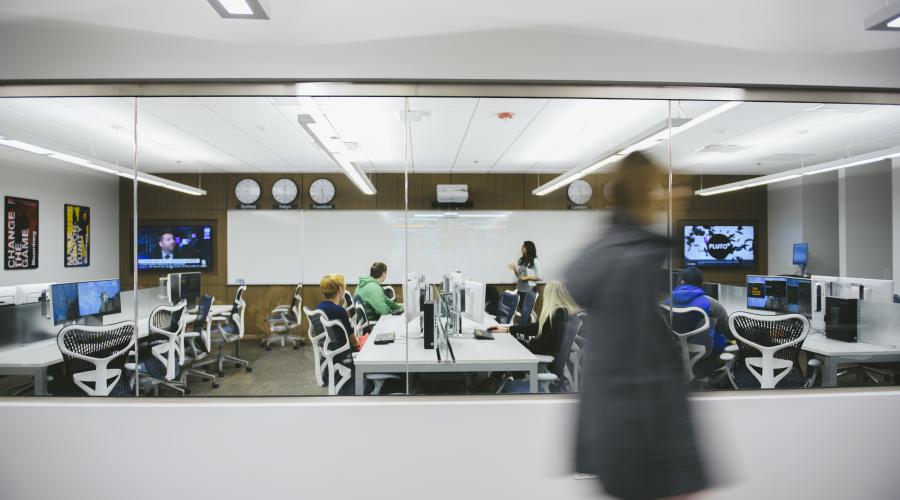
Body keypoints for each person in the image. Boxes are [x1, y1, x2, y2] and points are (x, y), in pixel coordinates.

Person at [566, 151, 708, 500]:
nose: (674, 196)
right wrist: (676, 460)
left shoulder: (613, 253)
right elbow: (644, 367)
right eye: (662, 187)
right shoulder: (632, 260)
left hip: (616, 435)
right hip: (642, 443)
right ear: (647, 194)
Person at [489, 280, 580, 380]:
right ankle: (497, 380)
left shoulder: (557, 315)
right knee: (513, 344)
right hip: (543, 353)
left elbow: (545, 345)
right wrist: (508, 330)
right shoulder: (565, 312)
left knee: (509, 347)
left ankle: (494, 380)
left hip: (542, 357)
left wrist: (528, 344)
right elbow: (537, 328)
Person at [667, 266, 730, 358]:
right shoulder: (711, 304)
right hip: (705, 351)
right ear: (701, 284)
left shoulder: (666, 302)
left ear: (682, 282)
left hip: (675, 349)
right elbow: (726, 329)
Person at [316, 273, 365, 354]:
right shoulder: (340, 311)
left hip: (328, 350)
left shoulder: (318, 308)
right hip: (343, 352)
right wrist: (359, 343)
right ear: (340, 289)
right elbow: (353, 341)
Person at [508, 240, 541, 310]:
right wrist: (515, 270)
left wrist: (527, 277)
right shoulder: (521, 260)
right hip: (520, 288)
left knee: (526, 311)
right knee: (520, 310)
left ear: (528, 248)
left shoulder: (535, 260)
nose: (521, 248)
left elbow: (541, 277)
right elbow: (520, 277)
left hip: (530, 289)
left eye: (523, 246)